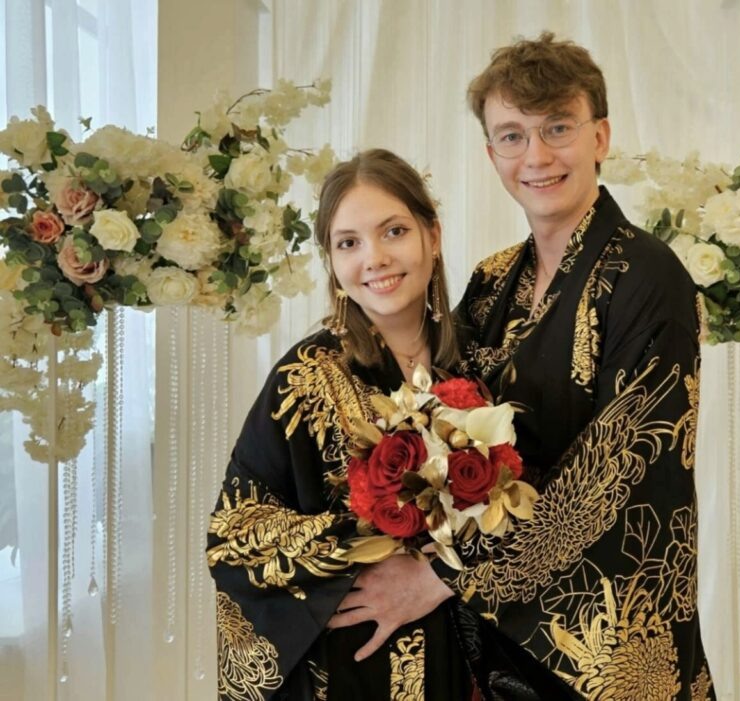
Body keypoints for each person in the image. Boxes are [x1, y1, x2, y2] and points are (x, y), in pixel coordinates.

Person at [352, 32, 714, 699]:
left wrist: (440, 578)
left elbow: (613, 473)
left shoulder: (648, 277)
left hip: (608, 639)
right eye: (513, 136)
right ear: (491, 154)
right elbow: (439, 417)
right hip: (496, 635)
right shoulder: (493, 281)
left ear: (600, 136)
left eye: (557, 128)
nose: (537, 156)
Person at [207, 149, 469, 700]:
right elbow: (233, 537)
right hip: (355, 667)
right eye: (348, 243)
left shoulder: (482, 360)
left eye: (394, 231)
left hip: (468, 657)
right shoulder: (305, 378)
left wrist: (444, 572)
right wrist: (367, 537)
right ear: (331, 260)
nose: (375, 258)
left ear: (433, 235)